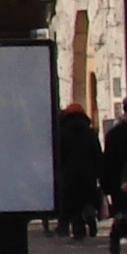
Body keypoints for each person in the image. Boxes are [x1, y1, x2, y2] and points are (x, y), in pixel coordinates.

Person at [53, 101, 104, 240]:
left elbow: (59, 154)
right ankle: (89, 215)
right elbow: (97, 154)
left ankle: (77, 230)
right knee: (85, 199)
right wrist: (100, 173)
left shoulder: (62, 132)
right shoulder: (90, 132)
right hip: (88, 173)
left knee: (71, 202)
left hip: (68, 173)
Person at [102, 100, 127, 254]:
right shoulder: (116, 133)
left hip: (118, 182)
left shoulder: (114, 133)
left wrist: (107, 185)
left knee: (122, 212)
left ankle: (117, 232)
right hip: (122, 181)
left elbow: (108, 161)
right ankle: (118, 231)